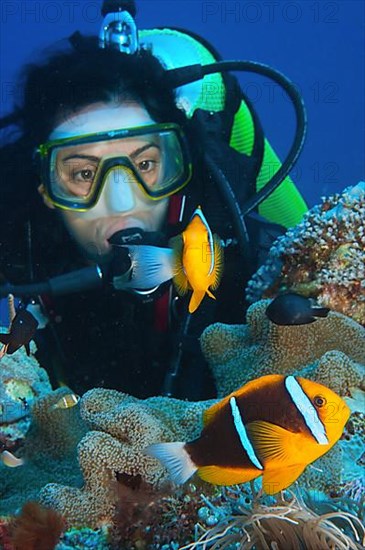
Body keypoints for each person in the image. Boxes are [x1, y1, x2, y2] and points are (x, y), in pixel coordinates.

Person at [0, 0, 308, 400]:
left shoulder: (245, 256)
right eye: (84, 174)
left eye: (144, 164)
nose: (123, 200)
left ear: (177, 165)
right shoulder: (21, 255)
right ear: (45, 190)